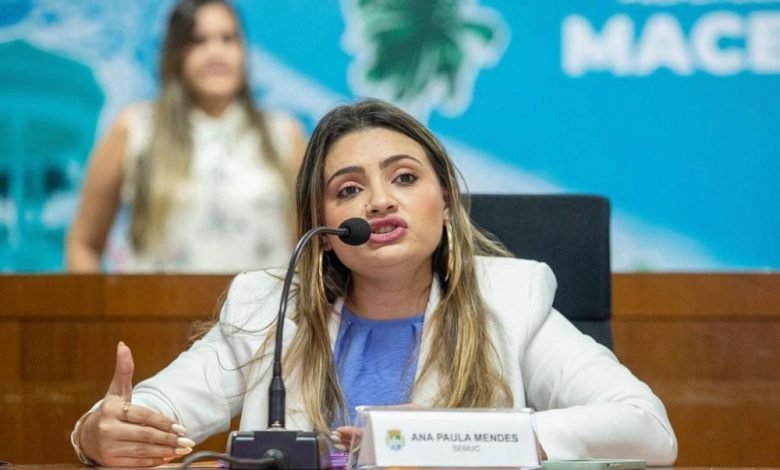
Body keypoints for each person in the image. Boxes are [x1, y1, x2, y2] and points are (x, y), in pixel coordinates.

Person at [71, 99, 677, 467]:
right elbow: (151, 414)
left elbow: (647, 428)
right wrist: (99, 433)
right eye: (349, 189)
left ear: (446, 200)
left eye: (405, 178)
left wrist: (458, 437)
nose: (380, 201)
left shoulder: (511, 300)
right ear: (322, 227)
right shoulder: (266, 308)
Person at [66, 0, 305, 272]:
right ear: (176, 53)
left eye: (228, 39)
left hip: (267, 300)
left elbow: (312, 245)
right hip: (155, 299)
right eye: (198, 40)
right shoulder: (135, 129)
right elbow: (83, 244)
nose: (216, 52)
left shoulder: (284, 135)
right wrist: (98, 300)